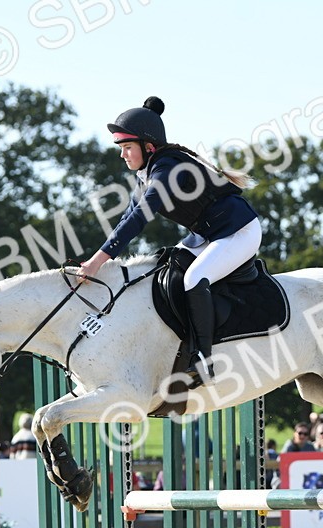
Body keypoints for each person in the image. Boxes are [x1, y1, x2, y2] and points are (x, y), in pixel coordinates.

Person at [78, 96, 259, 384]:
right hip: (206, 234)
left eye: (127, 148)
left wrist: (98, 261)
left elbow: (141, 216)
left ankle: (203, 359)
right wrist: (95, 259)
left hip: (238, 231)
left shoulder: (167, 168)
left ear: (148, 147)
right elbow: (128, 217)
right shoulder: (147, 172)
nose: (122, 155)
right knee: (162, 270)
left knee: (193, 279)